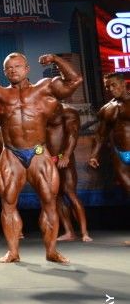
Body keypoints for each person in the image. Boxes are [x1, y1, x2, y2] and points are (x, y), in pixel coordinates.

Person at [0, 53, 82, 264]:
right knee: (8, 204)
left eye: (17, 66)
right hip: (11, 154)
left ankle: (51, 251)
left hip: (38, 153)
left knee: (49, 202)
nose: (13, 70)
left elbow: (74, 80)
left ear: (27, 69)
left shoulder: (44, 88)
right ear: (5, 72)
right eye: (9, 68)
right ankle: (13, 251)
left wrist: (55, 60)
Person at [46, 102, 91, 242]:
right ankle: (69, 232)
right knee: (56, 196)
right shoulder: (40, 110)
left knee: (70, 193)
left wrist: (66, 155)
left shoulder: (68, 111)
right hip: (50, 159)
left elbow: (72, 134)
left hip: (64, 157)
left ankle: (84, 232)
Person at [89, 72, 130, 195]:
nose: (110, 89)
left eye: (113, 85)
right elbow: (100, 134)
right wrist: (94, 155)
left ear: (123, 84)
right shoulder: (106, 109)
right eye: (107, 87)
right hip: (120, 155)